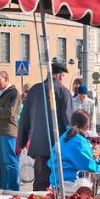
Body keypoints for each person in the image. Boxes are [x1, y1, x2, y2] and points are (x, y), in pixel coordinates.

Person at [17, 62, 74, 191]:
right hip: (59, 145)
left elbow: (24, 118)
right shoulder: (63, 92)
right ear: (60, 76)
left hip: (38, 145)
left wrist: (21, 141)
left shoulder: (34, 90)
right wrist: (76, 139)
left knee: (40, 183)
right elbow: (68, 119)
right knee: (58, 185)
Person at [48, 110, 100, 185]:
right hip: (71, 184)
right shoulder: (79, 141)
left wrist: (97, 161)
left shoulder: (64, 136)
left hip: (55, 182)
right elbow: (88, 167)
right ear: (87, 126)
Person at [0, 70, 22, 191]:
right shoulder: (2, 92)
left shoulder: (13, 92)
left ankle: (13, 188)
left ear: (6, 79)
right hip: (0, 131)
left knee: (10, 161)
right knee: (2, 162)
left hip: (7, 131)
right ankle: (5, 187)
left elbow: (9, 112)